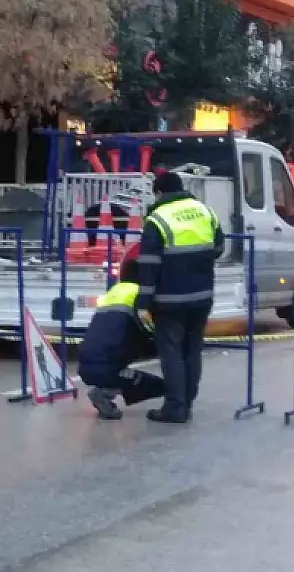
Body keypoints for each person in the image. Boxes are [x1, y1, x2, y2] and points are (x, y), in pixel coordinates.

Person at [136, 171, 224, 424]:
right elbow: (218, 248)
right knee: (192, 349)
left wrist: (143, 304)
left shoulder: (157, 219)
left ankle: (176, 407)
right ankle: (188, 400)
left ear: (160, 193)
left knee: (171, 351)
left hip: (170, 300)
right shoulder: (205, 211)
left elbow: (149, 265)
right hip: (202, 296)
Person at [79, 244, 166, 420]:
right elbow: (153, 332)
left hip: (85, 364)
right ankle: (103, 393)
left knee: (122, 357)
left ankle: (105, 391)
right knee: (164, 386)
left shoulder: (114, 292)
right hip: (106, 368)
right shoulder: (139, 296)